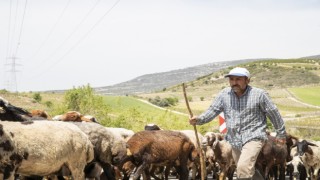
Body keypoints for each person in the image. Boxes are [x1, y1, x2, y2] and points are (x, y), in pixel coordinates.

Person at [189, 67, 286, 180]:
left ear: (247, 80)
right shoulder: (224, 95)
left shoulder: (259, 95)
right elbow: (212, 110)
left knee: (243, 169)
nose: (234, 82)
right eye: (231, 79)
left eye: (238, 79)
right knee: (248, 170)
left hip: (254, 137)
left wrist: (281, 133)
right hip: (235, 140)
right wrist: (199, 119)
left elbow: (273, 113)